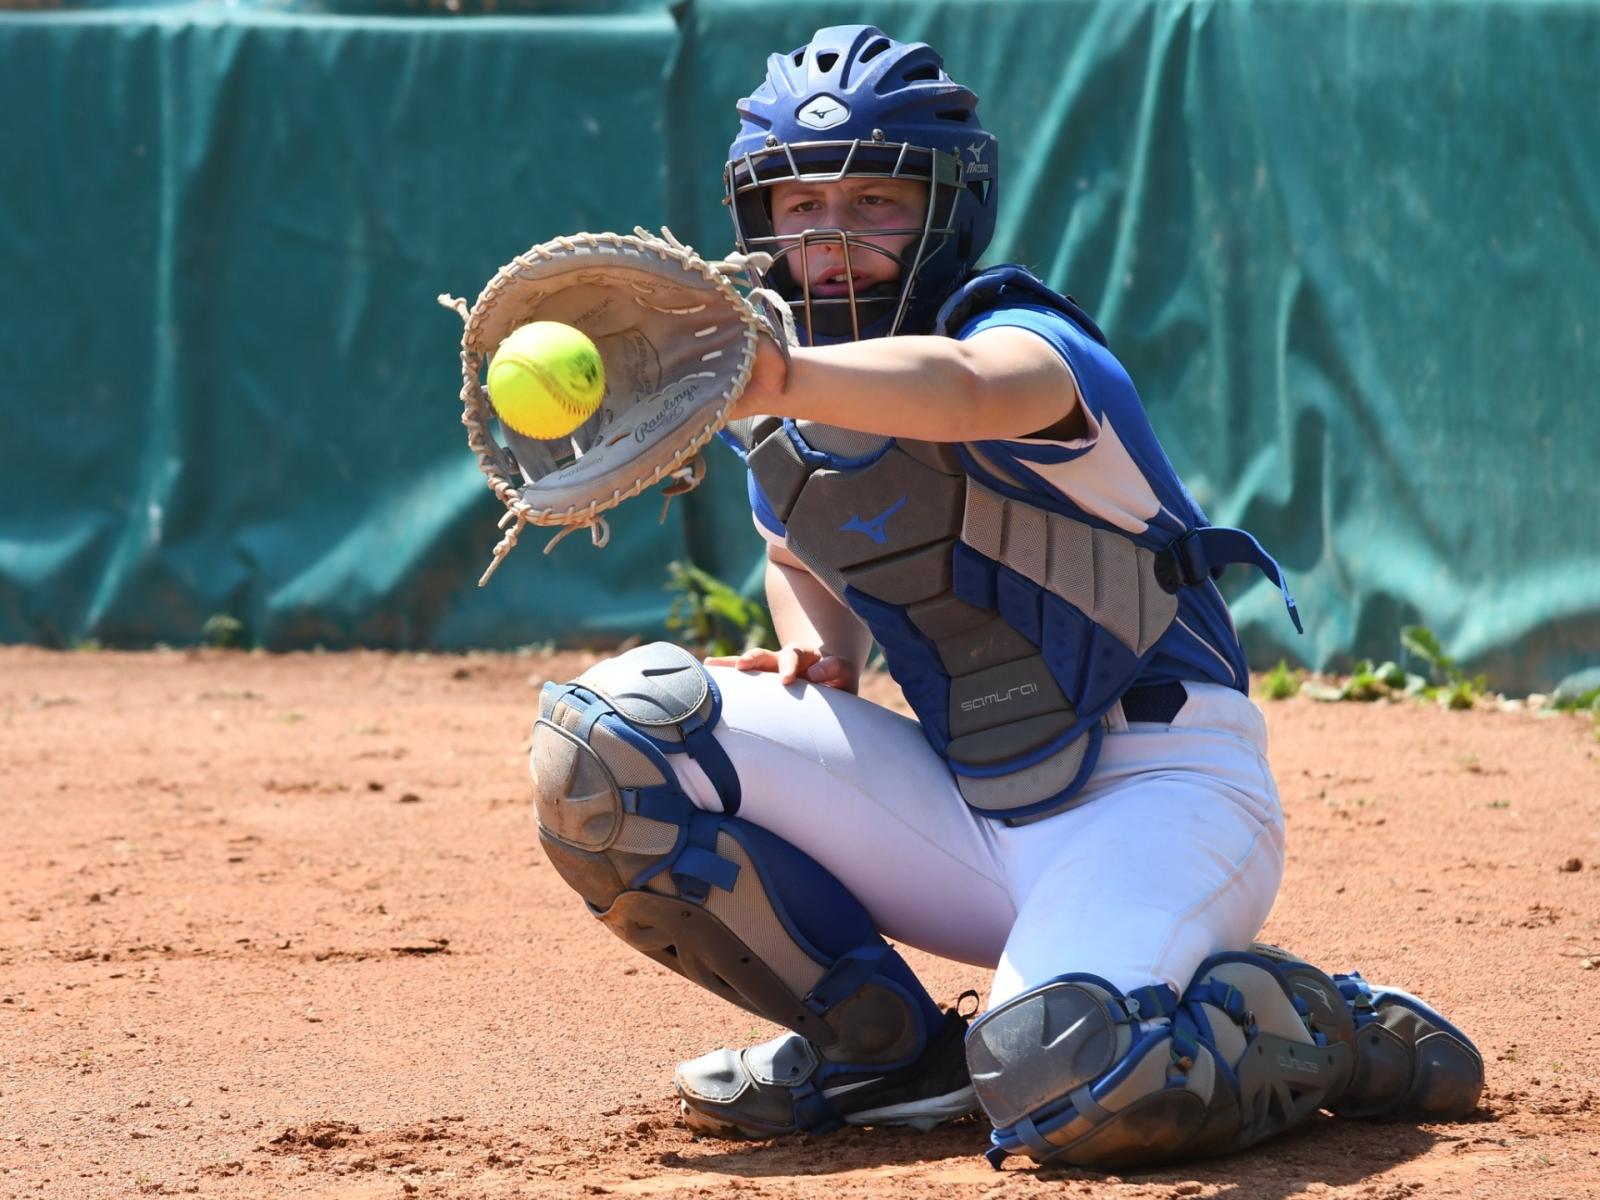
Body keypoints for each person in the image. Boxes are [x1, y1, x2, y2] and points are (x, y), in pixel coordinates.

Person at [528, 25, 1483, 1169]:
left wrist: (776, 373)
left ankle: (1324, 1028)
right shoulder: (779, 412)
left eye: (874, 201)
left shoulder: (1030, 345)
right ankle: (882, 1054)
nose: (827, 239)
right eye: (794, 206)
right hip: (962, 803)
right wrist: (815, 649)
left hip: (1161, 794)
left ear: (951, 204)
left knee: (1064, 1079)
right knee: (608, 744)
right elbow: (796, 556)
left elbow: (967, 390)